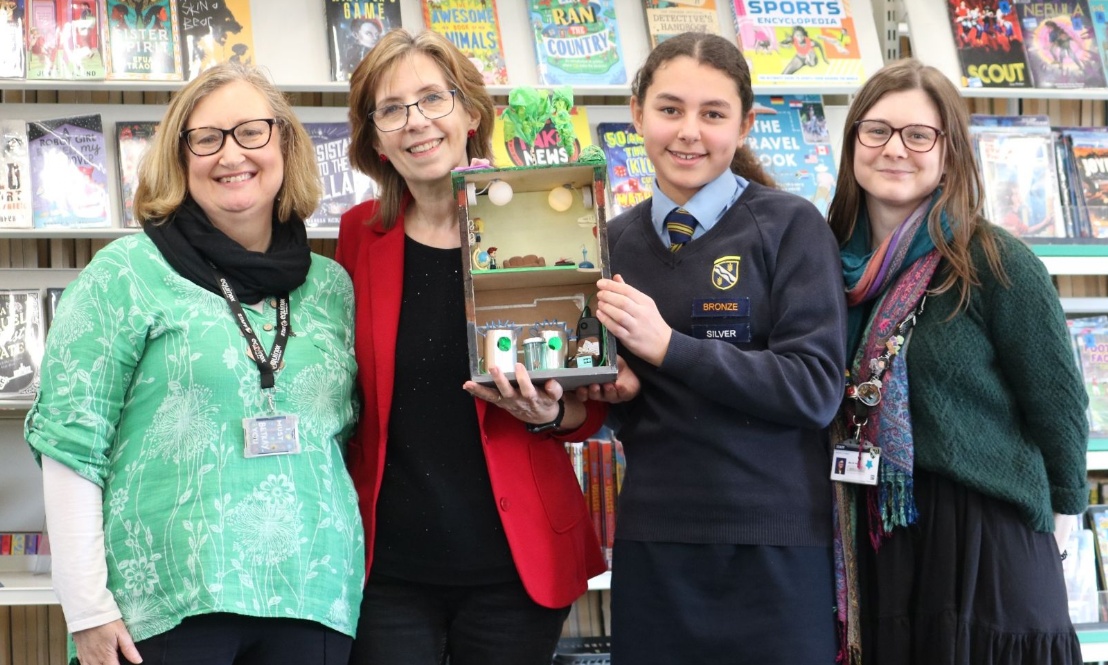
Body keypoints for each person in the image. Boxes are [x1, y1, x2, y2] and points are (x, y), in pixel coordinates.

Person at [24, 63, 365, 665]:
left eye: (251, 131)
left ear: (285, 144)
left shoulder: (332, 286)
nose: (231, 154)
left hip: (315, 597)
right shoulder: (125, 274)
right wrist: (87, 608)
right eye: (206, 139)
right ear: (180, 159)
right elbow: (70, 444)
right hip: (166, 603)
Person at [336, 29, 616, 665]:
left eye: (433, 98)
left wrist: (549, 413)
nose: (416, 122)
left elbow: (591, 404)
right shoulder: (359, 235)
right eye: (391, 109)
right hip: (389, 566)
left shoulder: (545, 218)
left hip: (514, 565)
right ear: (375, 138)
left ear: (470, 112)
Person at [583, 32, 847, 664]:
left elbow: (814, 389)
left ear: (745, 124)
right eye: (670, 109)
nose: (688, 132)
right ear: (637, 113)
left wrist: (670, 347)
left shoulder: (791, 227)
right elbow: (620, 401)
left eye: (713, 113)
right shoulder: (607, 244)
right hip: (655, 546)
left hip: (776, 550)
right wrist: (615, 394)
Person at [826, 58, 1089, 665]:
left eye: (919, 135)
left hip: (984, 538)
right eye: (877, 130)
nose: (896, 148)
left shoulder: (995, 261)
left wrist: (1061, 521)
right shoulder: (823, 264)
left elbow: (1058, 406)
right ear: (854, 142)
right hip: (879, 531)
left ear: (950, 153)